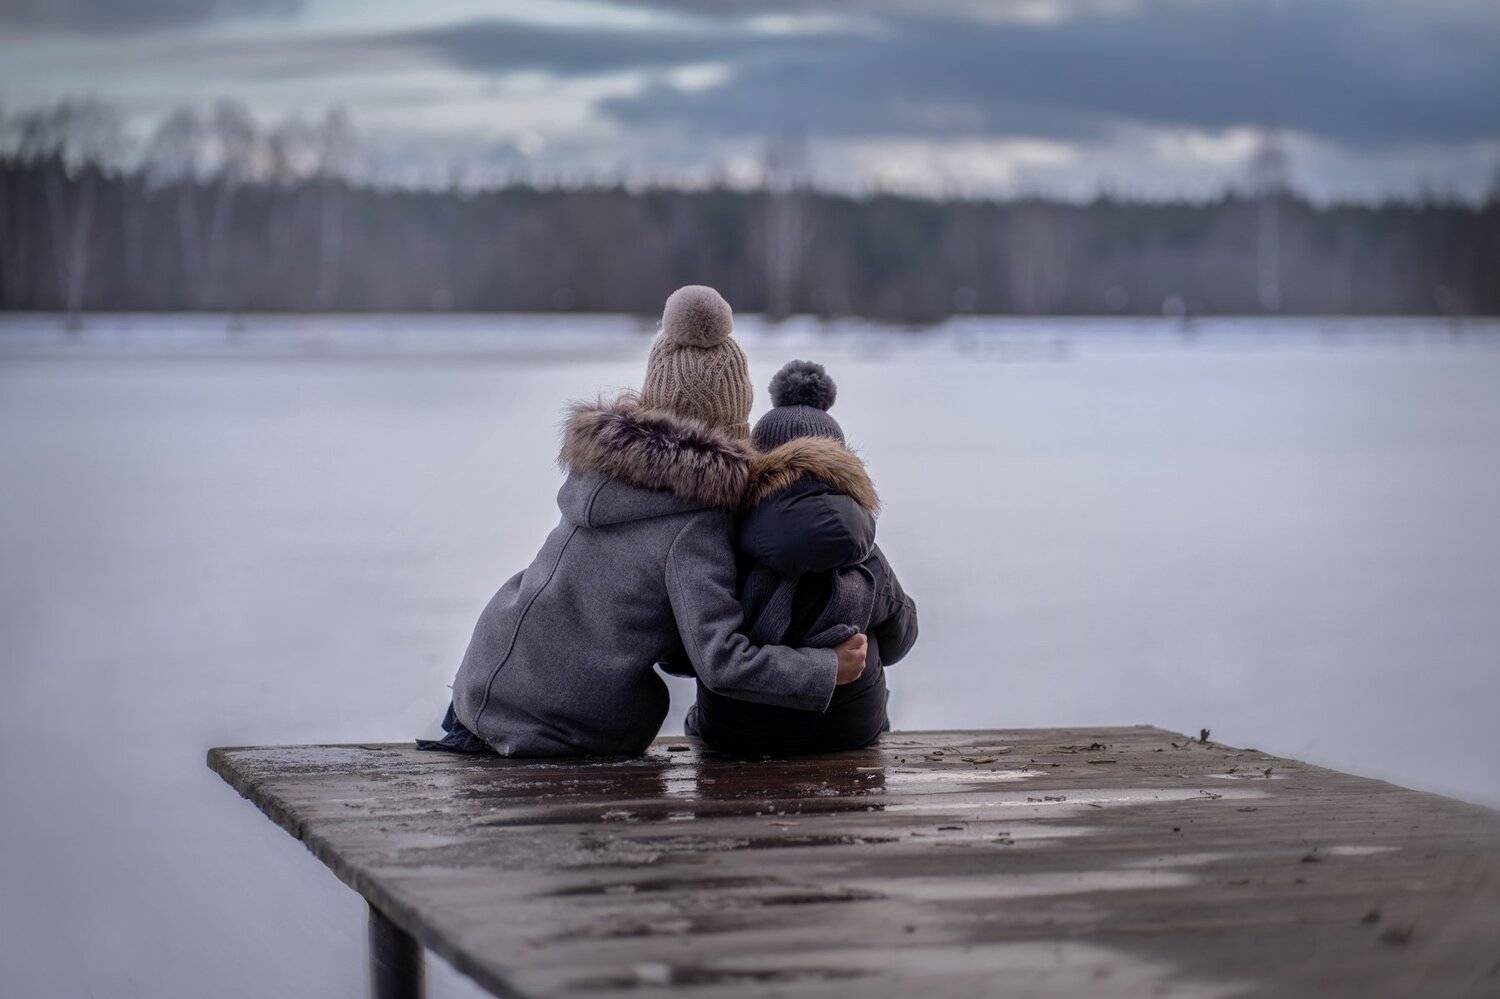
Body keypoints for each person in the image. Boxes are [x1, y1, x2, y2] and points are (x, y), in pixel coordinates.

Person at [420, 288, 867, 757]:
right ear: (736, 419)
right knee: (646, 716)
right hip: (555, 725)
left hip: (481, 685)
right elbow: (722, 662)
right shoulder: (695, 526)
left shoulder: (599, 473)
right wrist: (824, 668)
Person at [684, 360, 918, 754]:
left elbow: (681, 657)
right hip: (849, 730)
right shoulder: (862, 551)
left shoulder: (723, 545)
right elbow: (899, 641)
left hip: (735, 732)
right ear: (844, 468)